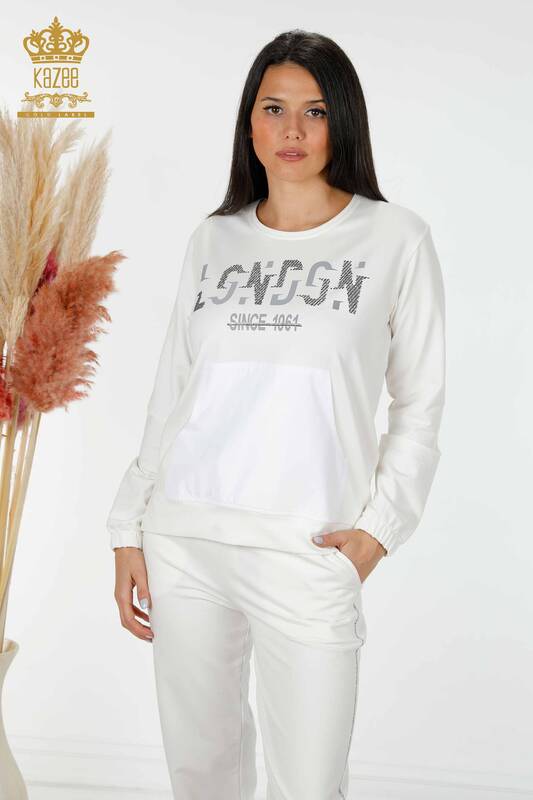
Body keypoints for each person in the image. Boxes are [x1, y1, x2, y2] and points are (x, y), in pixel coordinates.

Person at [107, 28, 446, 800]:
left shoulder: (394, 239)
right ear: (249, 124)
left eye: (314, 111)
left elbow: (419, 404)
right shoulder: (213, 239)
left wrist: (378, 531)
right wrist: (128, 526)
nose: (292, 130)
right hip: (186, 542)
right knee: (202, 777)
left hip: (307, 547)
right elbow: (172, 393)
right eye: (273, 108)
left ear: (342, 122)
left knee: (309, 785)